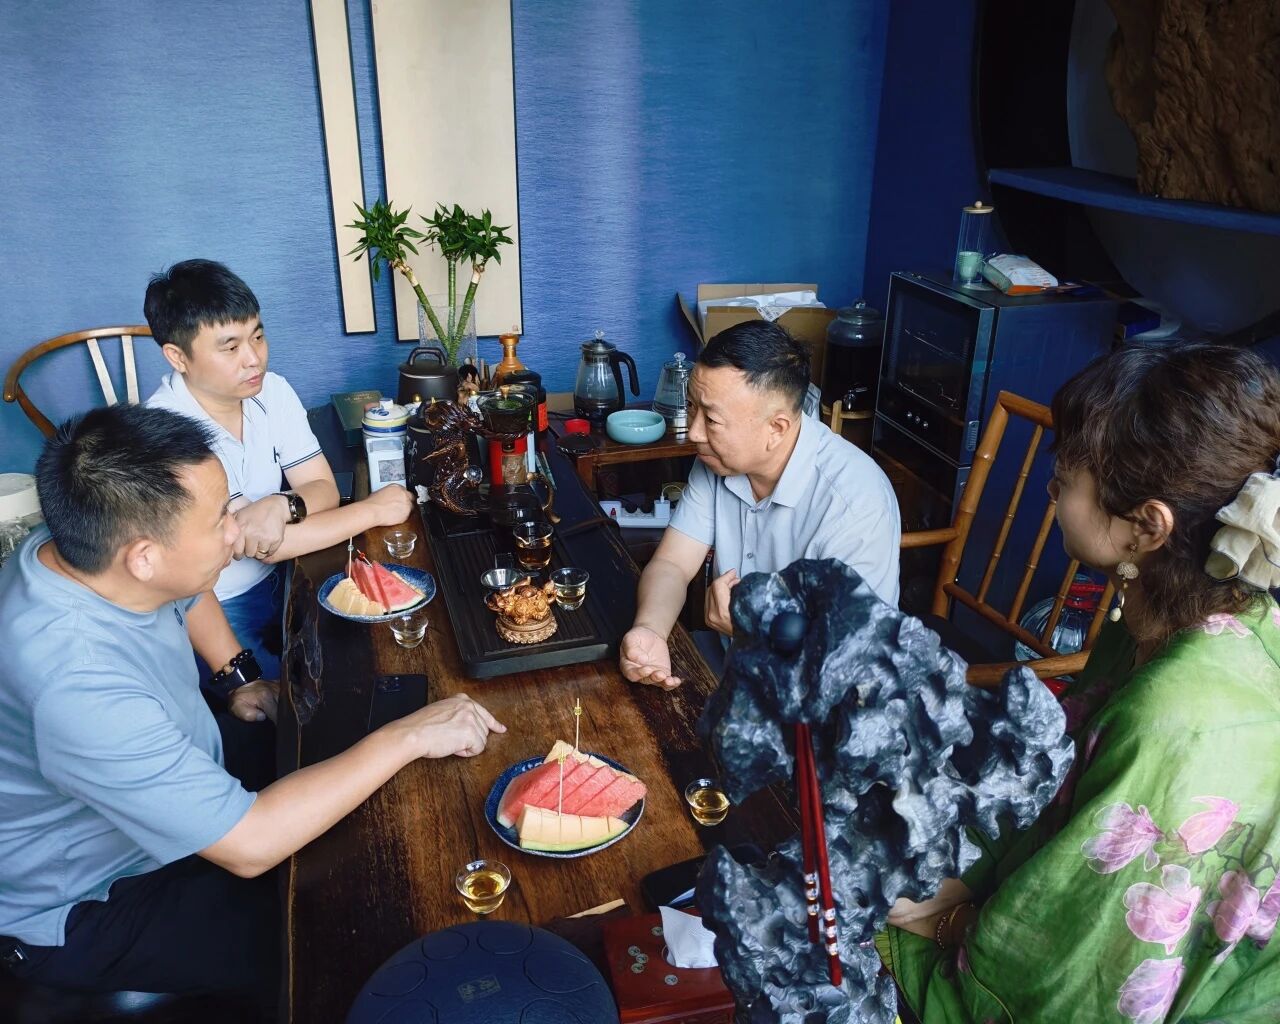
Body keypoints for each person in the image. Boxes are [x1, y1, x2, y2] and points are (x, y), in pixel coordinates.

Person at [0, 405, 504, 999]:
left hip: (177, 769)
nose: (236, 531)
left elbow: (186, 591)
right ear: (144, 556)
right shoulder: (77, 685)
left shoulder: (81, 547)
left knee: (345, 749)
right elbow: (250, 844)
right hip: (95, 896)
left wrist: (238, 676)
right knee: (355, 931)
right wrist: (411, 735)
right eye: (220, 520)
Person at [881, 343, 1280, 1023]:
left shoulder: (1176, 718)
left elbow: (1072, 984)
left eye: (1065, 479)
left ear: (1146, 528)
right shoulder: (1174, 616)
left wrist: (946, 922)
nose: (1052, 494)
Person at [144, 258, 414, 686]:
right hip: (216, 606)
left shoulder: (272, 390)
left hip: (285, 577)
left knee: (379, 651)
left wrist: (280, 504)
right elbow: (267, 545)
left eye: (258, 336)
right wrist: (375, 510)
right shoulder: (164, 433)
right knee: (309, 699)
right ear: (178, 357)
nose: (254, 359)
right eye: (230, 348)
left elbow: (322, 487)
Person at [619, 321, 900, 689]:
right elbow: (672, 563)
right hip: (731, 662)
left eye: (712, 419)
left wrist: (756, 634)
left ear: (777, 428)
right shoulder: (717, 460)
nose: (694, 432)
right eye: (692, 407)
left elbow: (852, 661)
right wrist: (650, 630)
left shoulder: (855, 503)